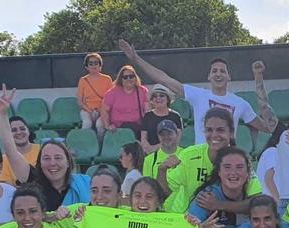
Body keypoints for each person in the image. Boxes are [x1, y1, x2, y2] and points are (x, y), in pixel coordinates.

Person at [118, 39, 275, 144]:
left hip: (227, 161)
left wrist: (258, 77)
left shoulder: (240, 103)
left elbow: (268, 127)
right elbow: (165, 79)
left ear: (229, 77)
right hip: (201, 158)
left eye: (222, 71)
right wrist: (136, 58)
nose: (218, 74)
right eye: (214, 71)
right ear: (209, 76)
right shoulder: (199, 95)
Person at [0, 85, 92, 210]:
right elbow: (10, 151)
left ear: (68, 162)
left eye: (58, 157)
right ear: (39, 163)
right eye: (46, 158)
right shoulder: (35, 184)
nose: (52, 163)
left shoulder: (85, 184)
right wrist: (2, 113)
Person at [160, 108, 259, 213]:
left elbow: (257, 201)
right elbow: (164, 192)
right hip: (187, 219)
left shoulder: (239, 159)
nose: (214, 135)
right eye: (209, 130)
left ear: (231, 133)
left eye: (220, 130)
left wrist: (219, 205)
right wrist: (161, 170)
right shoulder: (190, 155)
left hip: (223, 222)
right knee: (202, 197)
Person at [102, 65, 149, 133]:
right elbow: (104, 110)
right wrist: (108, 125)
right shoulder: (112, 92)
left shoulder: (142, 91)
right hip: (117, 129)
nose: (128, 79)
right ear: (121, 79)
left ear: (135, 77)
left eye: (131, 76)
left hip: (138, 127)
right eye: (125, 77)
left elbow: (147, 112)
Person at [77, 52, 114, 137]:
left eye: (96, 63)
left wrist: (102, 111)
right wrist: (90, 111)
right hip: (87, 110)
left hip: (103, 111)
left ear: (100, 65)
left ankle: (100, 144)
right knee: (87, 124)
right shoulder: (83, 80)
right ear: (87, 66)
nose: (94, 66)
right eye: (91, 63)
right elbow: (79, 102)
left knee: (100, 125)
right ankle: (83, 142)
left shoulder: (107, 79)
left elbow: (111, 99)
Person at [0, 114, 41, 184]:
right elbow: (6, 185)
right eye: (14, 130)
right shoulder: (4, 159)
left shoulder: (42, 150)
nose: (19, 132)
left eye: (22, 128)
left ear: (28, 131)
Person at [139, 84, 182, 153]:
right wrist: (150, 150)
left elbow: (177, 139)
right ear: (152, 100)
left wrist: (155, 148)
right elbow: (143, 139)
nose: (158, 98)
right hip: (151, 154)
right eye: (155, 96)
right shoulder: (147, 116)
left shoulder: (175, 116)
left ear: (168, 99)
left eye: (162, 96)